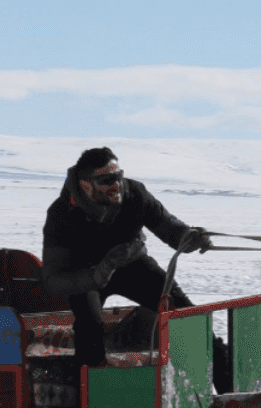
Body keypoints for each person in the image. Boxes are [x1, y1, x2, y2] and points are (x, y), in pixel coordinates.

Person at [40, 147, 219, 382]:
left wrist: (189, 237)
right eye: (107, 180)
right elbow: (53, 281)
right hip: (86, 275)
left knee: (185, 314)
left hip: (132, 265)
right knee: (89, 328)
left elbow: (167, 226)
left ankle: (229, 390)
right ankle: (90, 403)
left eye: (119, 176)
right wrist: (96, 274)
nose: (117, 185)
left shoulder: (135, 194)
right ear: (86, 185)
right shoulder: (60, 214)